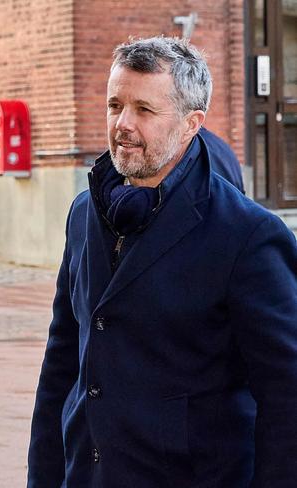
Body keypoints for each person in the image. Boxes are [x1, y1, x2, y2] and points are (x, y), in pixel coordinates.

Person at [28, 36, 297, 487]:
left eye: (144, 110)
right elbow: (62, 362)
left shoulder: (248, 236)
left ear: (192, 123)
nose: (122, 124)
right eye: (115, 105)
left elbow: (287, 395)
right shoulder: (83, 212)